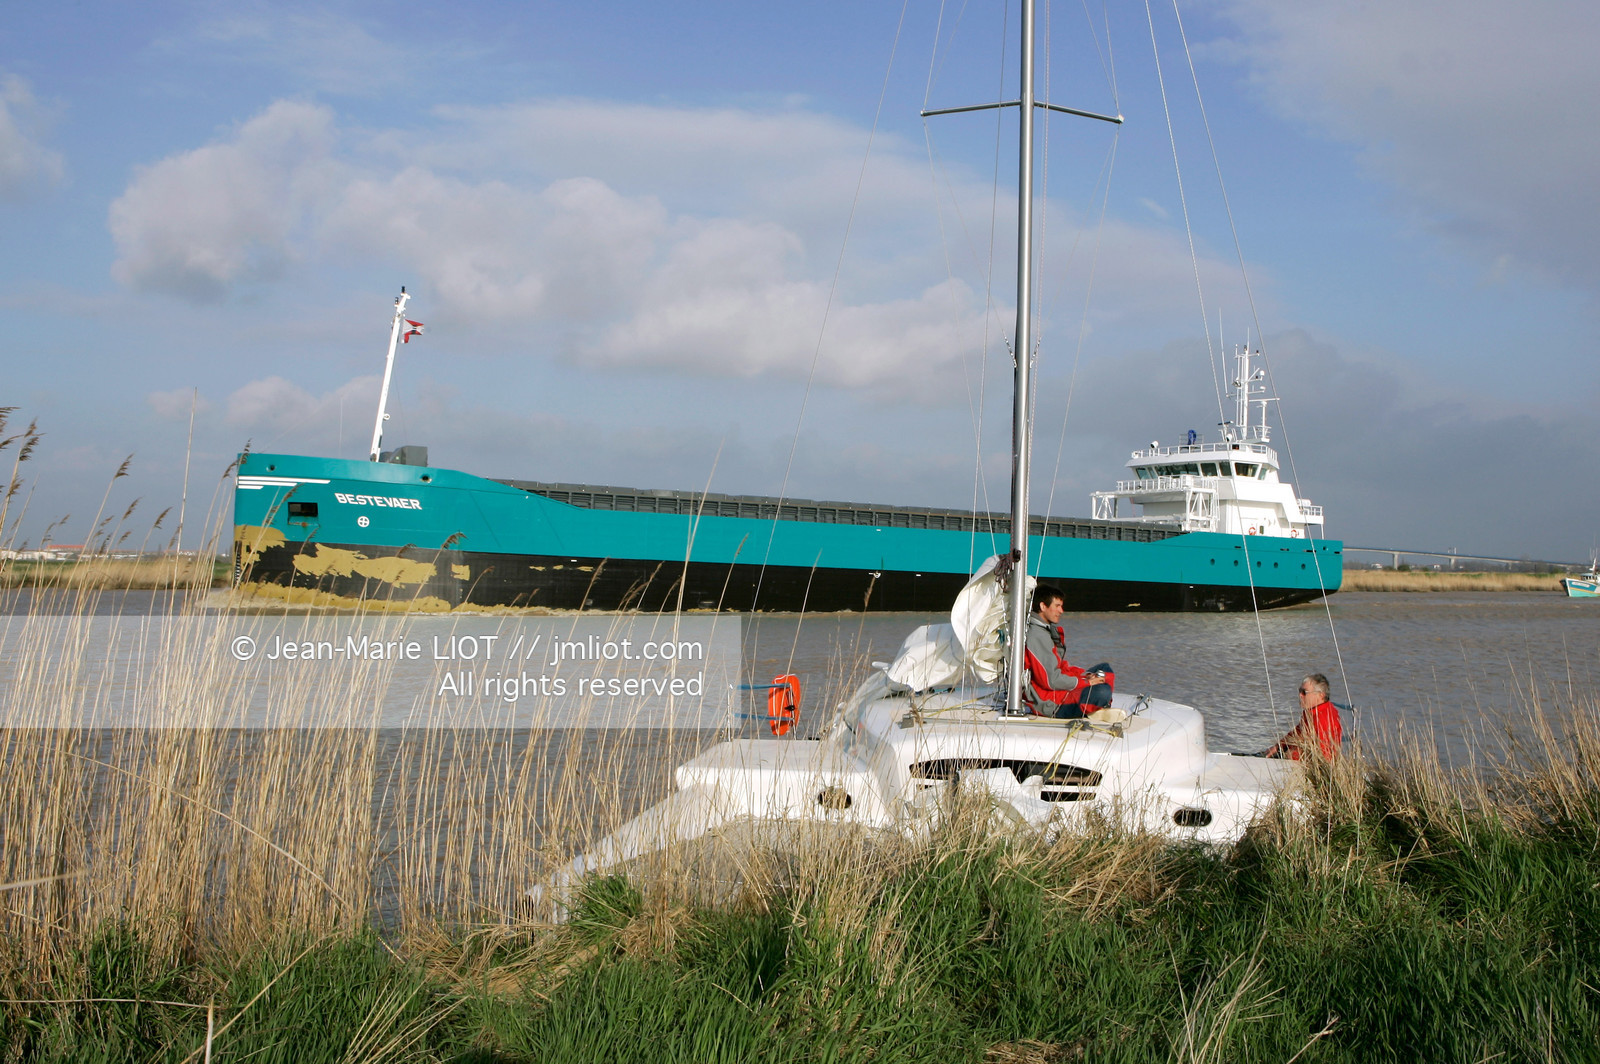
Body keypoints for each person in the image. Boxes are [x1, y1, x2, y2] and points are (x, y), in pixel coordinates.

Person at [1022, 583, 1113, 719]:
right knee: (1102, 692)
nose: (1061, 611)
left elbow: (1058, 666)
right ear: (1043, 606)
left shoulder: (1044, 630)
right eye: (1057, 606)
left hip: (1056, 691)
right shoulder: (1037, 636)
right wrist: (1085, 683)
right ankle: (1097, 706)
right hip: (1051, 703)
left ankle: (1097, 706)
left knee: (1104, 668)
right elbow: (1050, 681)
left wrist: (1084, 676)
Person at [1262, 673, 1342, 759]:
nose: (1300, 695)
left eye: (1304, 692)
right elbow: (1297, 733)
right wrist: (1279, 746)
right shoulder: (1312, 713)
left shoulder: (1323, 718)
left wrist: (1292, 754)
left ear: (1320, 695)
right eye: (1300, 691)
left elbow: (1323, 755)